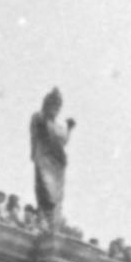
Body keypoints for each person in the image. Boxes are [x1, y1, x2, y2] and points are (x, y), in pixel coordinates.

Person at [28, 87, 75, 224]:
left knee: (55, 195)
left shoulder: (57, 126)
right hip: (44, 158)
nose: (56, 109)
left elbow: (62, 141)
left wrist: (69, 129)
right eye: (53, 105)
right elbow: (39, 133)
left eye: (58, 106)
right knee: (45, 188)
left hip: (57, 163)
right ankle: (44, 217)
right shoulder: (39, 117)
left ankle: (52, 220)